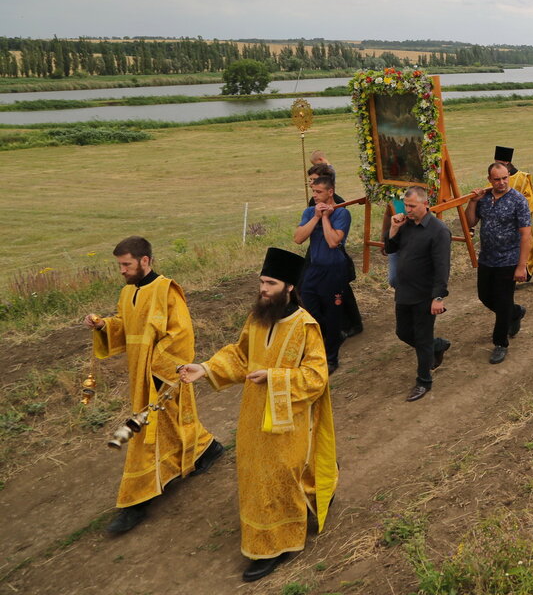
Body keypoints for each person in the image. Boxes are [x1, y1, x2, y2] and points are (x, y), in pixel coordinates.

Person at [178, 248, 337, 583]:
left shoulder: (305, 327)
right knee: (253, 474)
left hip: (287, 422)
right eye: (262, 281)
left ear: (289, 287)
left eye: (271, 283)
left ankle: (280, 544)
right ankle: (299, 505)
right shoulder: (258, 318)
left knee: (278, 477)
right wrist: (205, 368)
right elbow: (239, 355)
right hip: (253, 415)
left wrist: (276, 377)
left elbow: (317, 377)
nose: (263, 289)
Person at [85, 236, 224, 534]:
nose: (121, 270)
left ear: (144, 260)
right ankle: (208, 449)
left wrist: (161, 373)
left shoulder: (166, 290)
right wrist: (103, 327)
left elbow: (181, 334)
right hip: (140, 377)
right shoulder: (127, 293)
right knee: (173, 423)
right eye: (119, 265)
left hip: (163, 376)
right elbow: (124, 326)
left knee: (142, 438)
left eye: (126, 264)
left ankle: (134, 503)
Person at [385, 186, 452, 401]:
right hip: (404, 291)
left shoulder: (439, 231)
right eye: (406, 205)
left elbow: (442, 267)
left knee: (422, 339)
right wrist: (394, 229)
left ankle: (424, 381)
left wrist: (438, 297)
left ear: (425, 204)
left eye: (412, 206)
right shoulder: (405, 224)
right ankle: (437, 345)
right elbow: (390, 248)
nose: (408, 209)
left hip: (424, 295)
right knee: (402, 332)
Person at [466, 163, 532, 365]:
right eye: (497, 179)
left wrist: (522, 266)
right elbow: (470, 222)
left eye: (505, 178)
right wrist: (473, 202)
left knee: (502, 302)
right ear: (489, 180)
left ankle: (500, 343)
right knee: (485, 297)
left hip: (509, 260)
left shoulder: (518, 201)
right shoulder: (484, 198)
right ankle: (515, 312)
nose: (502, 182)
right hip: (487, 258)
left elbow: (526, 234)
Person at [293, 175, 351, 372]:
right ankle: (332, 338)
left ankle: (332, 358)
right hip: (314, 270)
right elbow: (298, 238)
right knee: (310, 312)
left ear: (330, 192)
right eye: (314, 192)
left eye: (319, 192)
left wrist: (326, 218)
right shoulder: (310, 212)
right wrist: (316, 216)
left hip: (334, 270)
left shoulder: (342, 214)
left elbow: (333, 241)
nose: (315, 196)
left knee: (333, 314)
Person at [304, 164, 364, 341]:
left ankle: (349, 324)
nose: (313, 190)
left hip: (333, 254)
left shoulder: (339, 206)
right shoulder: (314, 203)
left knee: (338, 291)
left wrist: (323, 218)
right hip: (316, 251)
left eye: (315, 182)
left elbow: (334, 240)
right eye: (311, 184)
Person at [493, 146, 533, 280]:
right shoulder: (496, 177)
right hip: (501, 221)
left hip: (518, 220)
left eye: (499, 162)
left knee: (524, 242)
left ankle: (527, 270)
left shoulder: (522, 178)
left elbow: (528, 200)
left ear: (507, 163)